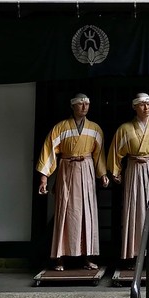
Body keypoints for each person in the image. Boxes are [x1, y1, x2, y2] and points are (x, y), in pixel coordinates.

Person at [36, 93, 108, 271]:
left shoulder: (95, 129)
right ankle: (59, 256)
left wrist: (103, 174)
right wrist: (44, 177)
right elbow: (49, 151)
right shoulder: (61, 128)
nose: (84, 106)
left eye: (87, 103)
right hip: (67, 170)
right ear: (72, 106)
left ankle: (87, 255)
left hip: (87, 170)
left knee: (86, 213)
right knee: (65, 212)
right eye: (80, 104)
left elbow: (99, 155)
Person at [107, 92, 149, 269]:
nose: (146, 107)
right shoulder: (125, 129)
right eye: (142, 104)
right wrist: (116, 171)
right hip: (134, 168)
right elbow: (116, 152)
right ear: (134, 107)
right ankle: (133, 255)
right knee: (135, 210)